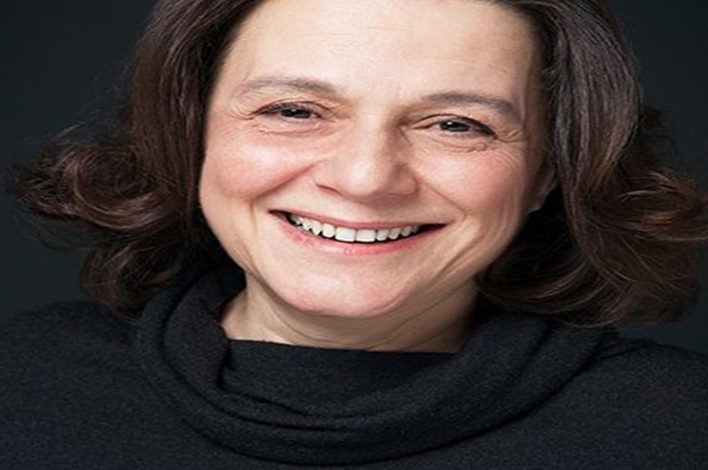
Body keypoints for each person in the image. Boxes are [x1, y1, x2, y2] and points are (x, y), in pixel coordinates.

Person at [2, 0, 707, 468]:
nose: (366, 179)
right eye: (295, 110)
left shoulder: (679, 429)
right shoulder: (22, 379)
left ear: (548, 172)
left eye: (455, 124)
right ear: (190, 132)